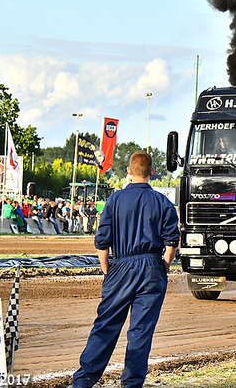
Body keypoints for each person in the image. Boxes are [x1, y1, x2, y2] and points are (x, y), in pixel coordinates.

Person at [72, 150, 180, 388]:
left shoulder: (115, 199)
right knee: (141, 332)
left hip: (120, 267)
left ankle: (83, 381)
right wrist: (163, 266)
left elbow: (102, 242)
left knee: (106, 325)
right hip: (152, 267)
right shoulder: (163, 201)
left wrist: (107, 270)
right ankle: (132, 384)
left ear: (129, 172)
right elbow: (172, 242)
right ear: (152, 172)